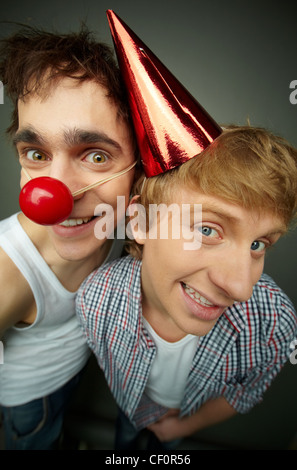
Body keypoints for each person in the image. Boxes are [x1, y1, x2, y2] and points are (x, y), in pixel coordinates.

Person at [75, 12, 297, 450]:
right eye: (209, 229)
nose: (238, 285)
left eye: (258, 243)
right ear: (139, 224)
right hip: (131, 407)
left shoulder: (272, 324)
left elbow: (245, 390)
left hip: (183, 421)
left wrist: (178, 429)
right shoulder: (94, 300)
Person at [0, 24, 138, 450]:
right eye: (37, 154)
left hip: (71, 371)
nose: (57, 197)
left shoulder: (126, 217)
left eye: (95, 155)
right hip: (26, 399)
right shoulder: (8, 272)